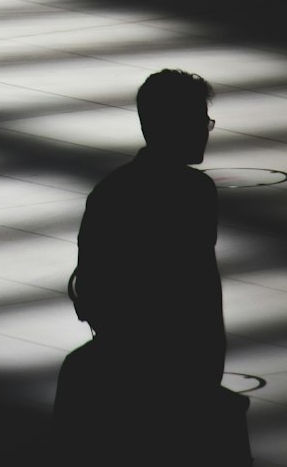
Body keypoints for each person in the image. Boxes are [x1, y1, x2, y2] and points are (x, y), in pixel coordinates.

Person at [52, 68, 251, 466]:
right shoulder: (194, 192)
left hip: (121, 354)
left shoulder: (110, 192)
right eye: (199, 120)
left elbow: (91, 282)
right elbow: (199, 289)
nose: (206, 131)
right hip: (177, 363)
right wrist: (207, 368)